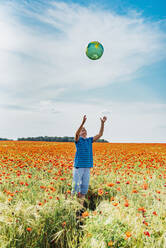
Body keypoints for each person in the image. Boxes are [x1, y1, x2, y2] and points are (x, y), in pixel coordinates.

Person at [71, 114, 107, 207]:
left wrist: (102, 123)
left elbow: (100, 134)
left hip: (87, 167)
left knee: (84, 189)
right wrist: (82, 123)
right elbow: (76, 134)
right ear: (79, 133)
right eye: (82, 130)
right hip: (78, 167)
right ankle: (71, 206)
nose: (83, 131)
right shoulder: (78, 140)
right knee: (75, 188)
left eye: (84, 130)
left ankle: (79, 208)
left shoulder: (89, 140)